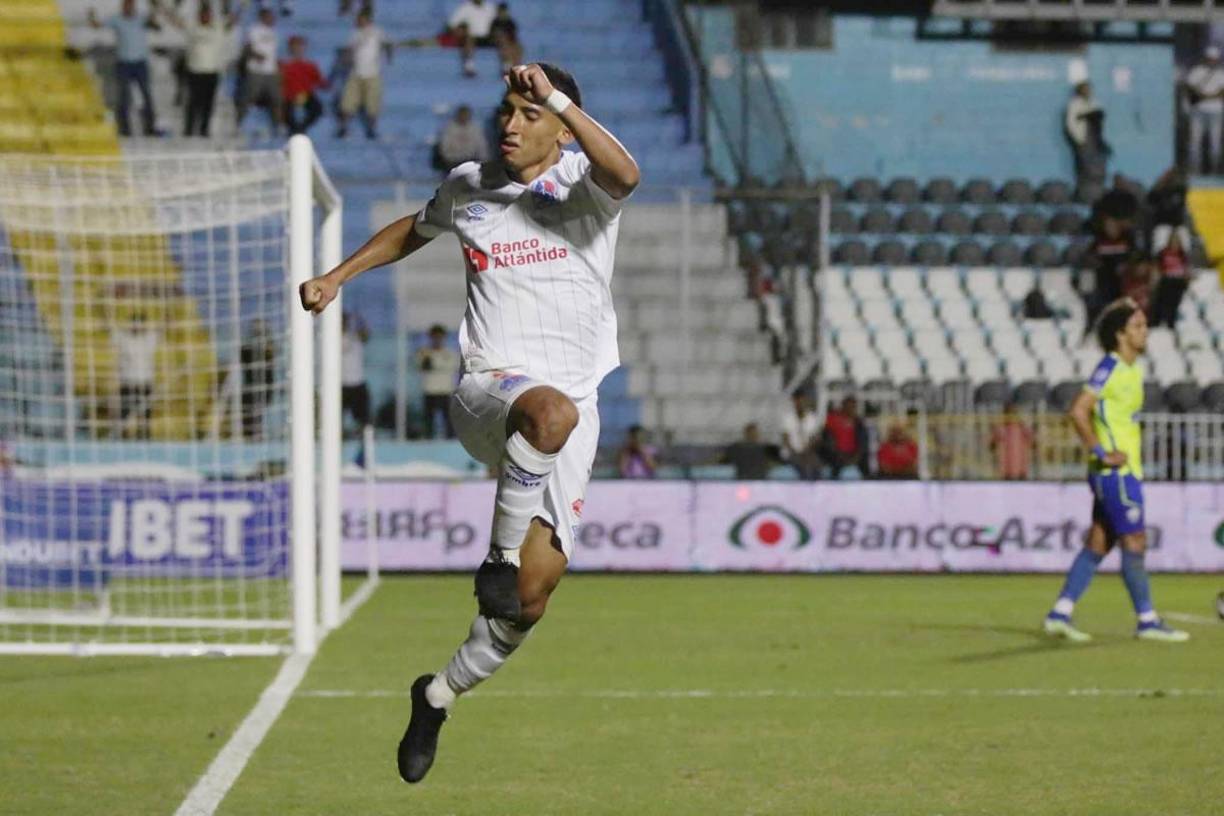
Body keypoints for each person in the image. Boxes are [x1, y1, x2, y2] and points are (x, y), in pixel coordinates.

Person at [298, 62, 639, 781]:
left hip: (575, 414)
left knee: (529, 603)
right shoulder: (469, 185)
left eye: (528, 113)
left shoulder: (586, 187)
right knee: (548, 414)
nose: (510, 125)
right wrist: (339, 275)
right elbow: (415, 229)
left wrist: (558, 99)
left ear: (558, 118)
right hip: (491, 391)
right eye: (506, 111)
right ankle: (497, 555)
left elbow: (628, 172)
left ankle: (437, 694)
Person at [1043, 299, 1189, 644]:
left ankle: (1060, 613)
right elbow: (1078, 410)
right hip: (1116, 474)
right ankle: (1147, 620)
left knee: (1098, 541)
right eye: (1137, 326)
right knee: (1135, 540)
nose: (1145, 331)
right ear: (1121, 335)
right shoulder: (1109, 367)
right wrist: (1100, 451)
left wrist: (1125, 303)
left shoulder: (1132, 369)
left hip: (1123, 471)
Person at [158, 0, 245, 137]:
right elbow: (176, 22)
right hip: (195, 72)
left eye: (208, 15)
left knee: (208, 104)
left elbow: (233, 20)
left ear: (210, 16)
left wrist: (243, 6)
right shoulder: (193, 27)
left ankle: (204, 131)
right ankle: (189, 131)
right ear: (199, 16)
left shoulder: (218, 27)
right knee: (193, 104)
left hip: (212, 72)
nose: (205, 17)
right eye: (203, 15)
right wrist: (162, 8)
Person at [88, 0, 161, 137]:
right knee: (124, 97)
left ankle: (150, 127)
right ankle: (125, 129)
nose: (129, 8)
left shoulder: (141, 18)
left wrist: (154, 11)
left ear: (134, 6)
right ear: (123, 7)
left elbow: (156, 27)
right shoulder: (117, 19)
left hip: (140, 63)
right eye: (126, 5)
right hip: (124, 63)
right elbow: (96, 26)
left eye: (131, 5)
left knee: (146, 95)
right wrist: (91, 16)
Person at [337, 8, 391, 139]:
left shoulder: (377, 32)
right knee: (347, 102)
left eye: (362, 19)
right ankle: (343, 128)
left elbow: (388, 44)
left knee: (372, 105)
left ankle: (372, 129)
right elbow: (348, 52)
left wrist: (388, 57)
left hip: (372, 73)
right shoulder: (354, 34)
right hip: (356, 73)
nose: (359, 21)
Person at [111, 311, 159, 438]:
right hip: (127, 382)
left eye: (140, 324)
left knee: (145, 416)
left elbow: (167, 325)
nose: (137, 327)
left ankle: (144, 438)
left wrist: (169, 306)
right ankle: (121, 438)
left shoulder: (150, 338)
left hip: (145, 382)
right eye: (134, 324)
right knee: (124, 414)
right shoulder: (123, 337)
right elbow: (106, 325)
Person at [237, 5, 283, 133]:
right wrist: (256, 55)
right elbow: (246, 48)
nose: (271, 19)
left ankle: (278, 126)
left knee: (276, 99)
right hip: (256, 70)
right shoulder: (254, 30)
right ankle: (240, 123)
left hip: (271, 71)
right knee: (249, 98)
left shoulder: (274, 32)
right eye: (269, 16)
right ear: (262, 17)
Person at [1064, 80, 1109, 197]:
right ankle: (1084, 194)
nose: (1088, 91)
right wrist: (1079, 140)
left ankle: (1097, 192)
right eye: (1085, 89)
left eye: (1089, 89)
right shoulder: (1074, 104)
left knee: (1098, 168)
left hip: (1096, 140)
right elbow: (1071, 125)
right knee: (1084, 168)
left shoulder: (1094, 103)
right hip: (1083, 140)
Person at [416, 324, 460, 438]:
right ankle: (427, 442)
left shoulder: (450, 353)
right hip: (429, 390)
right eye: (434, 337)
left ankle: (450, 442)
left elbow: (453, 367)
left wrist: (435, 364)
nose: (437, 340)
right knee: (428, 421)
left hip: (445, 391)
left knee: (448, 421)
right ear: (430, 337)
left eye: (439, 337)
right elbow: (422, 366)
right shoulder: (424, 353)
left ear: (443, 338)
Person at [1185, 46, 1224, 175]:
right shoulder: (1197, 71)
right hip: (1198, 111)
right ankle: (1195, 170)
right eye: (1210, 59)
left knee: (1215, 142)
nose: (1212, 61)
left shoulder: (1221, 73)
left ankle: (1214, 169)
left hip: (1216, 111)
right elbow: (1190, 87)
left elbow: (1221, 93)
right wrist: (1210, 96)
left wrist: (1204, 96)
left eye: (1214, 59)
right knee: (1195, 141)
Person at [281, 35, 328, 135]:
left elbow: (319, 80)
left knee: (317, 109)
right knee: (286, 111)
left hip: (305, 94)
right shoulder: (284, 64)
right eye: (295, 47)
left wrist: (326, 85)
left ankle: (301, 128)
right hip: (288, 95)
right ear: (290, 48)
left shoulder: (309, 65)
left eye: (300, 47)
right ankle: (294, 130)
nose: (298, 50)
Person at [1150, 225, 1193, 328]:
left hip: (1179, 282)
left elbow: (1187, 270)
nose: (1175, 242)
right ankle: (1158, 322)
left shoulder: (1183, 254)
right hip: (1166, 281)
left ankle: (1171, 324)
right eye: (1173, 240)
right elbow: (1156, 269)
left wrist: (1188, 280)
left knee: (1175, 302)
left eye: (1177, 240)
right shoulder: (1162, 253)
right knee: (1163, 298)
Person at [240, 319, 276, 439]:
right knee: (250, 413)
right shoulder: (247, 348)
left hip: (265, 387)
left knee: (259, 411)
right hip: (251, 388)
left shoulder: (269, 348)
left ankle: (259, 435)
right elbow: (243, 355)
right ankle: (252, 436)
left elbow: (271, 357)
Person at [820, 396, 869, 479]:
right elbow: (828, 441)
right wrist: (840, 457)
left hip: (852, 459)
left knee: (850, 473)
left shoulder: (859, 423)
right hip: (835, 458)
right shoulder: (833, 419)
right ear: (843, 406)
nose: (851, 409)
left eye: (853, 407)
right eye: (848, 406)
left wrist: (853, 460)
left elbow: (862, 446)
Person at [448, 0, 498, 77]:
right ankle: (469, 67)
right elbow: (452, 23)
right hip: (472, 37)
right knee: (469, 39)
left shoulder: (490, 7)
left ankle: (507, 67)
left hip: (489, 37)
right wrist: (462, 31)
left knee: (506, 40)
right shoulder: (465, 7)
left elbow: (499, 22)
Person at [435, 105, 491, 171]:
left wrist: (485, 162)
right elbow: (444, 147)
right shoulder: (449, 128)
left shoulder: (475, 129)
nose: (464, 117)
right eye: (462, 115)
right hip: (452, 160)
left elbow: (482, 146)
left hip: (470, 160)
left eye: (466, 115)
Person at [779, 390, 820, 480]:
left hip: (807, 452)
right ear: (794, 402)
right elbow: (786, 439)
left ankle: (818, 491)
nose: (800, 404)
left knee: (817, 465)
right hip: (791, 452)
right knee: (804, 468)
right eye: (797, 401)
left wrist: (807, 450)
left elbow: (815, 438)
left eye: (802, 401)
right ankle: (803, 491)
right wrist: (796, 452)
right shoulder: (787, 418)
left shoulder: (811, 418)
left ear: (805, 401)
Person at [341, 312, 370, 432]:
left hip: (357, 383)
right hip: (340, 385)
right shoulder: (329, 339)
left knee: (363, 419)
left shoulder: (354, 337)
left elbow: (366, 335)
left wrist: (359, 319)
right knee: (335, 417)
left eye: (345, 321)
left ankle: (364, 441)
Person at [990, 403, 1034, 481]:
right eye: (1008, 413)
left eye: (1013, 413)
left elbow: (1032, 440)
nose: (1011, 415)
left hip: (1020, 465)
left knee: (1021, 480)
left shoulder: (1022, 427)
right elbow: (992, 443)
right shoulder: (1001, 427)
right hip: (1006, 466)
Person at [489, 3, 522, 72]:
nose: (502, 13)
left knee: (517, 47)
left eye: (504, 11)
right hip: (497, 42)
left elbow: (514, 35)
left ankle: (517, 67)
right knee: (504, 43)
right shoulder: (495, 22)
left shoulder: (511, 22)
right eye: (501, 11)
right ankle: (506, 65)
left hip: (509, 42)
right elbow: (492, 34)